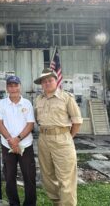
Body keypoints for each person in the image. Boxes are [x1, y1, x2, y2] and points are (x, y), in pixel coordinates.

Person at [34, 68, 83, 206]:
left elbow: (77, 121)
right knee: (48, 176)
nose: (47, 83)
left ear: (56, 81)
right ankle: (57, 202)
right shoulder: (39, 99)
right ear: (41, 84)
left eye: (50, 80)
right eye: (44, 81)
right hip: (43, 139)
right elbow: (37, 120)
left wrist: (67, 137)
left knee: (66, 177)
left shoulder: (66, 98)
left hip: (62, 139)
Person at [0, 75, 37, 206]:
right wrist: (10, 141)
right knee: (9, 177)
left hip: (25, 145)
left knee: (29, 177)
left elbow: (30, 124)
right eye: (10, 86)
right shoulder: (1, 104)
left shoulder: (27, 103)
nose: (13, 88)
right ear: (7, 88)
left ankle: (30, 204)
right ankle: (14, 203)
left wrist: (17, 140)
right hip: (7, 145)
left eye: (15, 85)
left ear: (20, 86)